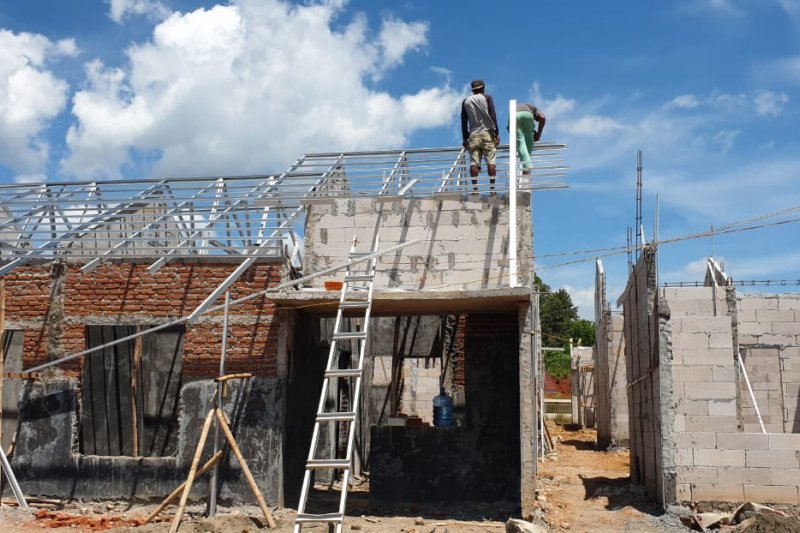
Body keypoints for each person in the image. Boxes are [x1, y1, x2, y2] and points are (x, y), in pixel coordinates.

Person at [461, 79, 500, 193]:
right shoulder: (487, 98)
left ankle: (475, 189)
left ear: (472, 89)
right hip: (487, 133)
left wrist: (465, 138)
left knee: (474, 162)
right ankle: (492, 189)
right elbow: (493, 115)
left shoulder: (466, 101)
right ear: (483, 88)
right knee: (491, 161)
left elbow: (464, 121)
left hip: (473, 135)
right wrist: (496, 133)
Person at [515, 102, 546, 175]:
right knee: (528, 144)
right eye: (536, 120)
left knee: (520, 143)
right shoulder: (533, 109)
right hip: (527, 115)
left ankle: (525, 168)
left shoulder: (518, 107)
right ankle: (526, 170)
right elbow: (542, 117)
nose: (536, 121)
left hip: (513, 117)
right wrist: (538, 135)